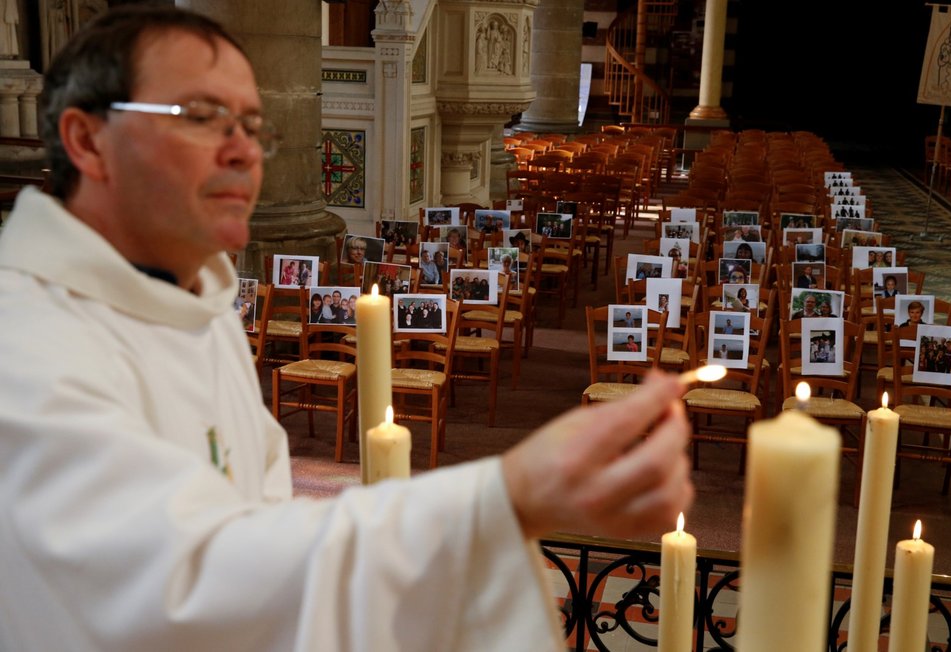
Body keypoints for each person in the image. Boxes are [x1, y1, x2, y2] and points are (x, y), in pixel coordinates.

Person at [0, 8, 693, 650]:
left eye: (254, 125)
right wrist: (498, 498)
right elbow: (174, 585)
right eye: (204, 116)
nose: (245, 152)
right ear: (87, 140)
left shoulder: (193, 301)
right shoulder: (27, 343)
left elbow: (257, 510)